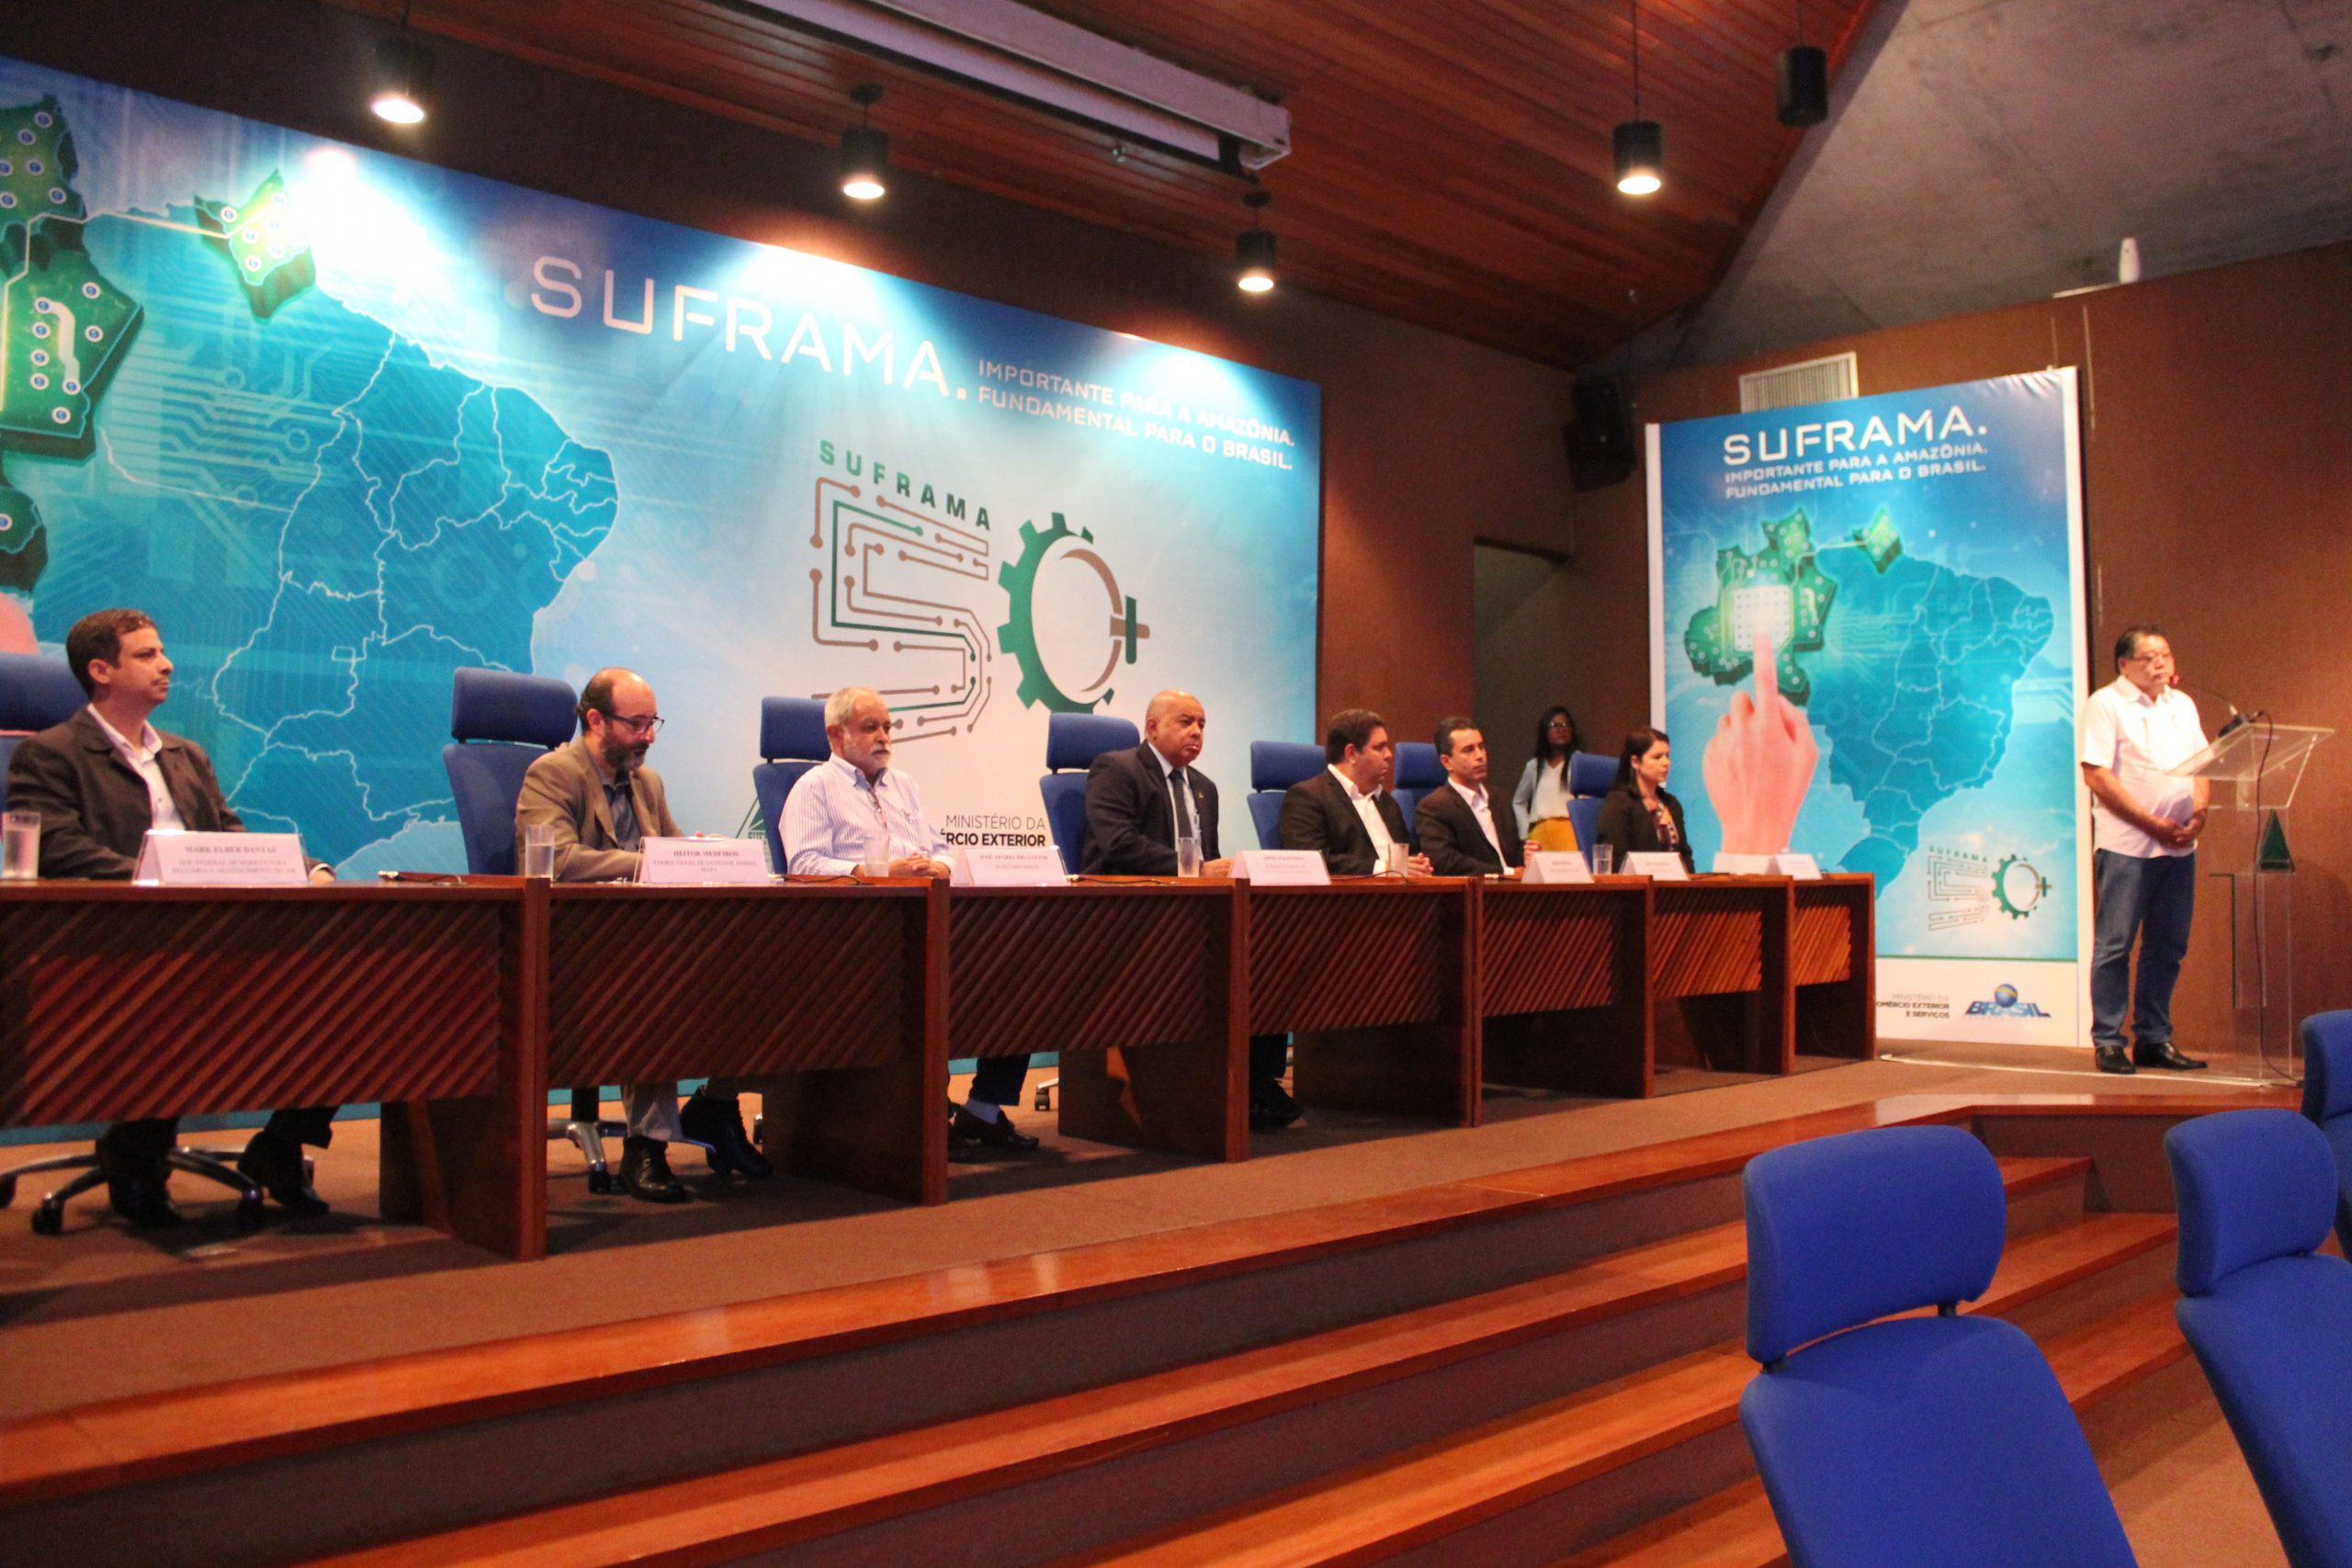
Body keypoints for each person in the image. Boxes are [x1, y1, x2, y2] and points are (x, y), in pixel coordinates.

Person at [4, 609, 337, 1227]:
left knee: (339, 991)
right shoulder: (48, 755)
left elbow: (229, 836)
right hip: (111, 944)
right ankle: (136, 1154)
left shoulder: (186, 755)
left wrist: (306, 866)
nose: (167, 664)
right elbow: (57, 847)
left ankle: (280, 1145)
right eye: (147, 654)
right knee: (175, 994)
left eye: (162, 651)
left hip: (207, 935)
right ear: (101, 670)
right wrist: (159, 872)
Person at [514, 666, 769, 1202]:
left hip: (646, 935)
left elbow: (671, 853)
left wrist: (702, 853)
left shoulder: (647, 782)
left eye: (654, 723)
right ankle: (646, 1147)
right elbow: (555, 859)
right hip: (573, 942)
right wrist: (647, 863)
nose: (649, 736)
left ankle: (718, 1105)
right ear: (595, 721)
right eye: (636, 724)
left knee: (748, 968)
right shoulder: (553, 773)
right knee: (658, 982)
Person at [784, 685, 1035, 1158]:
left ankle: (983, 1107)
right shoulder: (814, 787)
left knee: (1014, 970)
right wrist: (877, 872)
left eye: (887, 726)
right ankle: (924, 1116)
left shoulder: (903, 785)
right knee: (926, 988)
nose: (883, 736)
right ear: (836, 735)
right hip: (857, 935)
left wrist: (938, 866)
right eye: (870, 727)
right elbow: (803, 864)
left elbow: (940, 849)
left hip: (928, 921)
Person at [1081, 688, 1297, 1130]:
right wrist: (1196, 871)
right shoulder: (1117, 769)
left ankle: (1256, 1082)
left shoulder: (1203, 787)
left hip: (1191, 914)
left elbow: (1210, 859)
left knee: (1266, 957)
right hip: (1126, 914)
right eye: (1185, 722)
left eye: (1202, 724)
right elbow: (1119, 845)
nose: (1197, 732)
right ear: (1152, 727)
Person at [2079, 626, 2209, 1075]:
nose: (2161, 664)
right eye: (2150, 657)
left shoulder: (2182, 704)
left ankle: (2154, 1038)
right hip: (2127, 846)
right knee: (2115, 946)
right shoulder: (2106, 704)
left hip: (2179, 847)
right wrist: (2152, 824)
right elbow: (2096, 775)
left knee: (2168, 946)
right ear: (2124, 665)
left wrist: (2199, 815)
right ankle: (2109, 1041)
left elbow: (2203, 765)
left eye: (2166, 655)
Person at [1278, 707, 1430, 878]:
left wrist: (1419, 866)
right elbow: (1312, 862)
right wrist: (1386, 868)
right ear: (1351, 754)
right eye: (1379, 748)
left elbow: (1407, 856)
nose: (1389, 755)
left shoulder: (1387, 802)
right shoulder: (1307, 797)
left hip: (1402, 891)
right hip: (1349, 894)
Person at [1414, 716, 1521, 876]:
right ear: (1447, 762)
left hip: (1515, 886)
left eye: (1481, 747)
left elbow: (1514, 849)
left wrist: (1528, 855)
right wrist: (1507, 873)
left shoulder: (1501, 798)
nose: (1480, 756)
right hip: (1476, 889)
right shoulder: (1434, 807)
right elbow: (1444, 861)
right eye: (1469, 750)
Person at [1596, 726, 1693, 872]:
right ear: (1635, 761)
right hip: (1638, 884)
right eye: (1657, 757)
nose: (1666, 763)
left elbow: (1685, 856)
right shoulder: (1617, 805)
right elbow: (1618, 863)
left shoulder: (1671, 803)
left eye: (1667, 756)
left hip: (1674, 884)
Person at [1511, 705, 1583, 852]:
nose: (1561, 730)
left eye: (1566, 725)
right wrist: (1525, 831)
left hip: (1570, 833)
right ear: (1545, 731)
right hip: (1540, 835)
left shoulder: (1580, 761)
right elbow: (1518, 802)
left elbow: (1587, 800)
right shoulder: (1535, 766)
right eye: (1555, 726)